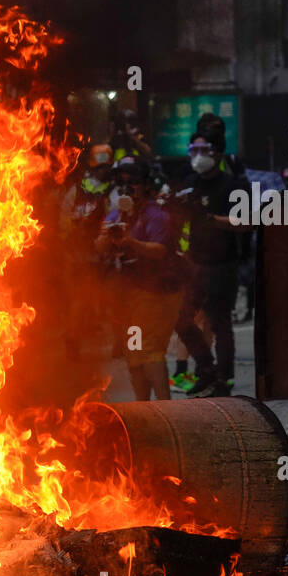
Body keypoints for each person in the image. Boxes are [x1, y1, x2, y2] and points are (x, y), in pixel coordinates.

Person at [95, 158, 185, 400]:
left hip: (157, 292)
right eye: (121, 183)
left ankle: (166, 408)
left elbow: (160, 250)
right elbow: (100, 247)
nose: (127, 189)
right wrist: (109, 237)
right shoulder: (117, 214)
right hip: (130, 296)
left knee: (149, 350)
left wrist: (130, 242)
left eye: (132, 183)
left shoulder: (156, 214)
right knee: (133, 351)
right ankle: (144, 408)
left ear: (145, 185)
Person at [171, 131, 251, 398]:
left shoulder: (234, 185)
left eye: (203, 151)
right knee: (181, 319)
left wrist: (211, 219)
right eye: (193, 150)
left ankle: (224, 379)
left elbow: (245, 222)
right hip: (194, 263)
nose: (197, 156)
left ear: (217, 153)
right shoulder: (191, 183)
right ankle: (205, 369)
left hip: (221, 265)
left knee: (220, 324)